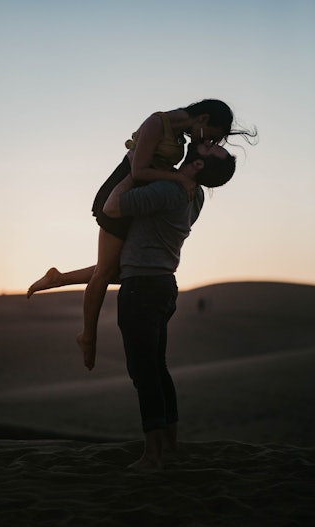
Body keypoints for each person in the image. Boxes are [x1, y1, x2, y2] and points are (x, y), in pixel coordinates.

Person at [27, 99, 256, 370]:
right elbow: (138, 170)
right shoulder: (157, 122)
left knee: (122, 268)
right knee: (106, 273)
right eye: (214, 138)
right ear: (203, 119)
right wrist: (179, 179)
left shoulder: (181, 134)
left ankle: (58, 278)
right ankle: (88, 336)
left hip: (137, 195)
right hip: (119, 194)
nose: (212, 143)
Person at [102, 142, 236, 471]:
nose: (208, 143)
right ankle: (171, 446)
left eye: (210, 149)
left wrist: (134, 167)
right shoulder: (196, 194)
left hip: (141, 288)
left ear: (199, 166)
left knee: (143, 373)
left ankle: (153, 455)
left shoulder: (169, 192)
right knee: (157, 369)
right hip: (163, 287)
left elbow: (113, 206)